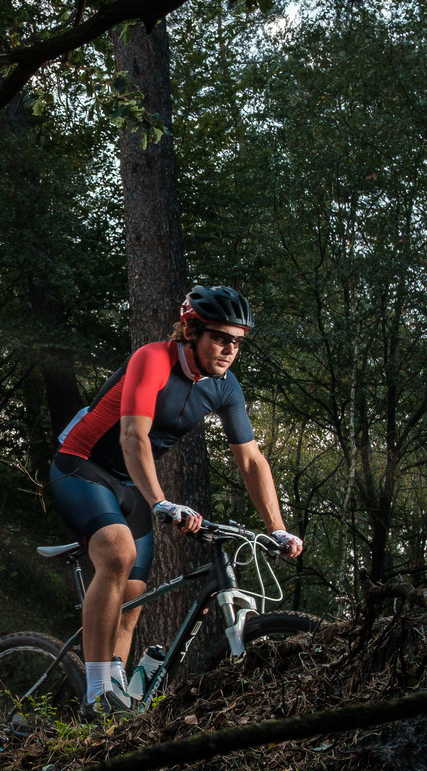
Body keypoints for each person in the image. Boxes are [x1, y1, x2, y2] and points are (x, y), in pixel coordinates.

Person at [49, 284, 303, 716]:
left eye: (237, 341)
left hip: (128, 484)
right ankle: (96, 692)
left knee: (132, 600)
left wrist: (276, 527)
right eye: (220, 337)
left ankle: (109, 711)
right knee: (117, 553)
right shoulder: (152, 358)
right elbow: (133, 436)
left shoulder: (224, 386)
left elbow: (251, 460)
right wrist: (162, 501)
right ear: (191, 330)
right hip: (81, 465)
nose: (229, 349)